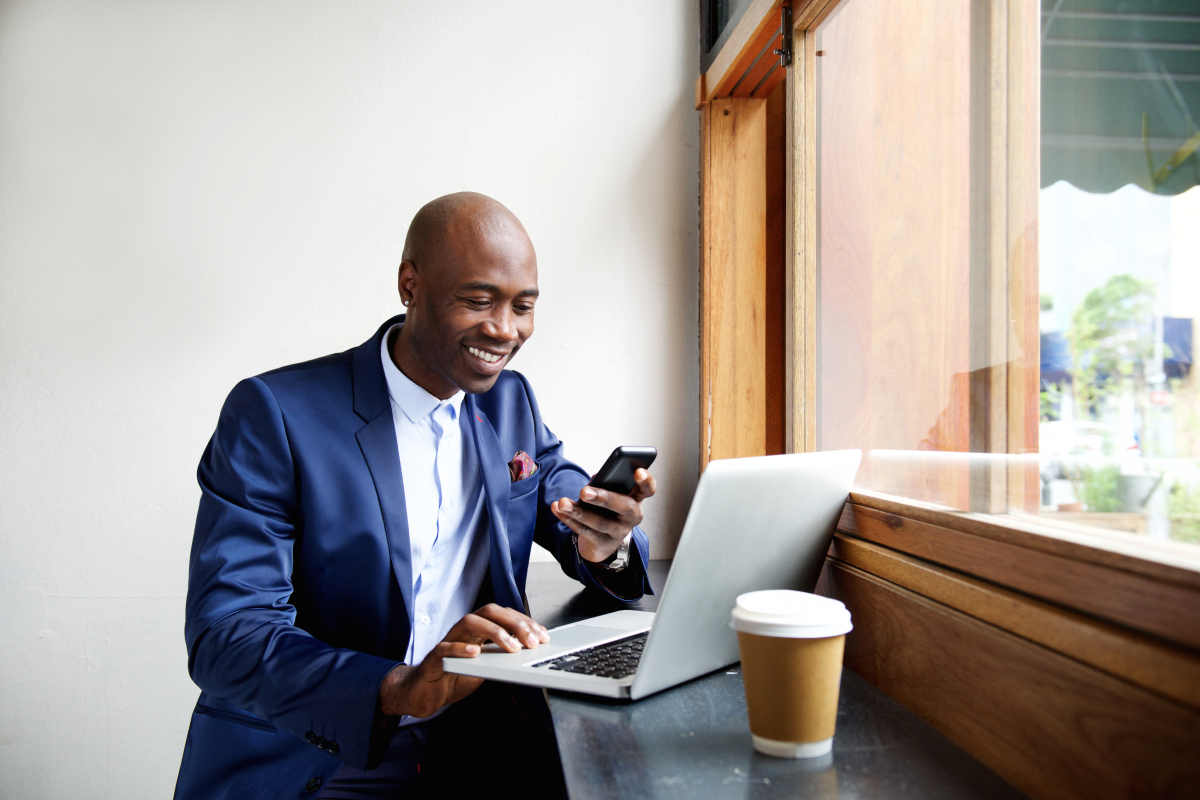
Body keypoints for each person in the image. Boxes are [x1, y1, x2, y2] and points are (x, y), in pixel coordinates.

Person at [174, 192, 657, 799]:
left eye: (523, 307)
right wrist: (397, 688)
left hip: (476, 741)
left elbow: (564, 498)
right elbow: (228, 632)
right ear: (410, 283)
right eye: (478, 300)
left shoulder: (509, 402)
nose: (504, 330)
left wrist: (603, 541)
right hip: (320, 755)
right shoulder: (276, 414)